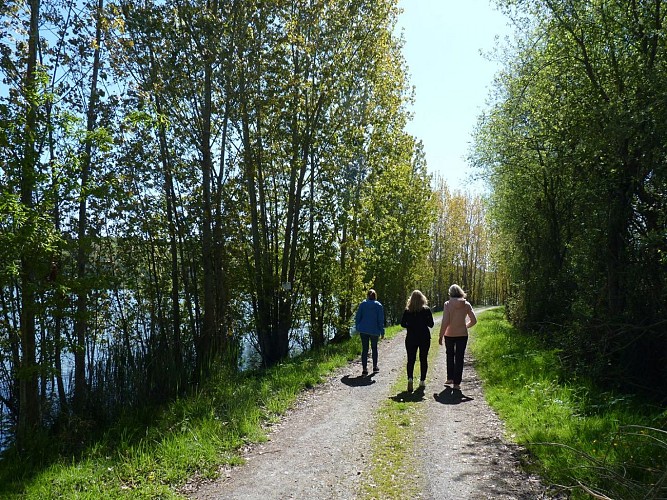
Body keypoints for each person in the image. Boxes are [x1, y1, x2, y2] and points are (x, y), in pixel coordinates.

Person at [438, 284, 477, 391]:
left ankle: (450, 378)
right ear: (460, 292)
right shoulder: (466, 304)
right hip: (462, 335)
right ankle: (457, 383)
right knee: (459, 358)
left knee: (449, 355)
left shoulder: (447, 304)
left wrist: (441, 335)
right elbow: (474, 320)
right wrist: (465, 326)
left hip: (449, 334)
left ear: (450, 293)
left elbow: (445, 321)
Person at [400, 290, 434, 392]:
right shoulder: (426, 310)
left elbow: (402, 324)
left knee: (411, 359)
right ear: (422, 298)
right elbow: (431, 324)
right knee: (423, 358)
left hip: (411, 337)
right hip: (424, 337)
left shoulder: (407, 311)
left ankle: (410, 379)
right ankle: (422, 381)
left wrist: (410, 326)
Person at [355, 289, 385, 376]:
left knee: (365, 349)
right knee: (374, 348)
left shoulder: (363, 304)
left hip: (363, 330)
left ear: (367, 296)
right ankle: (375, 366)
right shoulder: (378, 305)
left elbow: (358, 317)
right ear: (375, 296)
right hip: (374, 330)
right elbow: (380, 320)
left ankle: (364, 369)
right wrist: (382, 331)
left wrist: (358, 327)